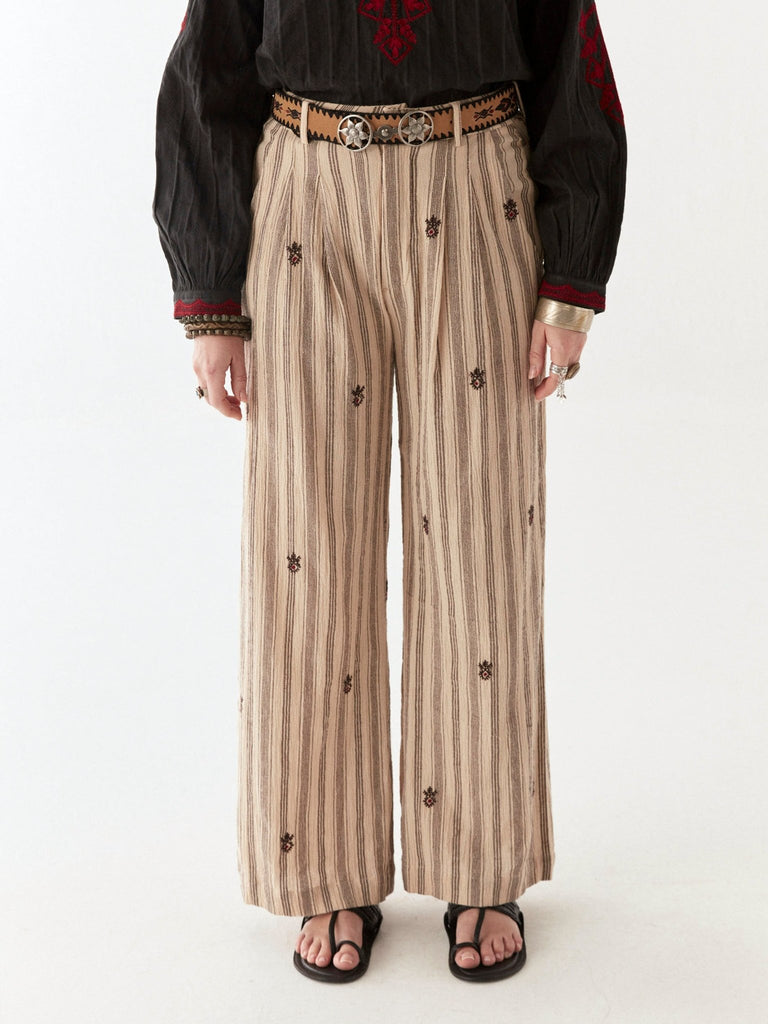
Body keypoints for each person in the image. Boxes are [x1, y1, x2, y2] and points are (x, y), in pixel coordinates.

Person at [152, 0, 626, 984]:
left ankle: (481, 862)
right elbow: (209, 71)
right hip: (306, 198)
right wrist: (211, 302)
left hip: (478, 188)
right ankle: (324, 862)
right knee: (306, 543)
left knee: (480, 540)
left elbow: (570, 51)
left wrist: (571, 279)